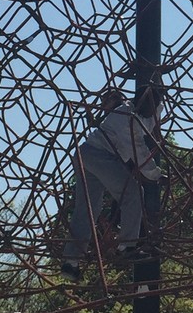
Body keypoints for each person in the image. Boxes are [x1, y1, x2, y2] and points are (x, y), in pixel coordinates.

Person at [60, 86, 163, 277]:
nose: (153, 109)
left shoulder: (138, 113)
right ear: (140, 104)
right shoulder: (127, 118)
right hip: (99, 156)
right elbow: (138, 151)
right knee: (133, 193)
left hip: (86, 155)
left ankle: (71, 261)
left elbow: (150, 118)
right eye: (150, 106)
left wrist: (158, 101)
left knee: (89, 207)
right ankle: (127, 246)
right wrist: (156, 175)